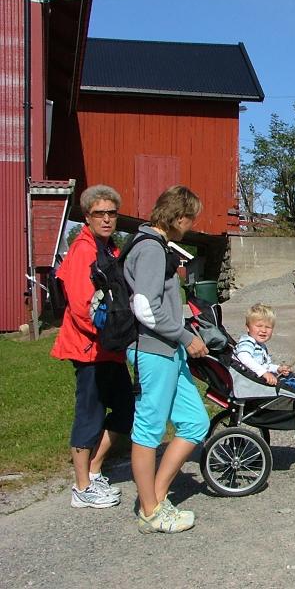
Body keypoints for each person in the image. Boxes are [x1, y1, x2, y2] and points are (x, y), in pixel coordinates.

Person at [124, 185, 209, 534]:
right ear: (178, 217)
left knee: (195, 422)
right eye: (191, 219)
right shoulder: (150, 248)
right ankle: (150, 511)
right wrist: (186, 336)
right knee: (148, 429)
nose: (191, 226)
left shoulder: (157, 245)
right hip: (152, 350)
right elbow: (145, 307)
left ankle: (156, 500)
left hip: (168, 350)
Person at [51, 184, 134, 509]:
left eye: (112, 213)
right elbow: (81, 307)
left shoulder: (110, 249)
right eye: (100, 214)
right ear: (87, 217)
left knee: (126, 409)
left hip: (110, 349)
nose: (107, 219)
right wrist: (114, 331)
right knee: (90, 414)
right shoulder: (83, 251)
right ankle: (82, 487)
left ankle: (95, 469)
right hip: (89, 349)